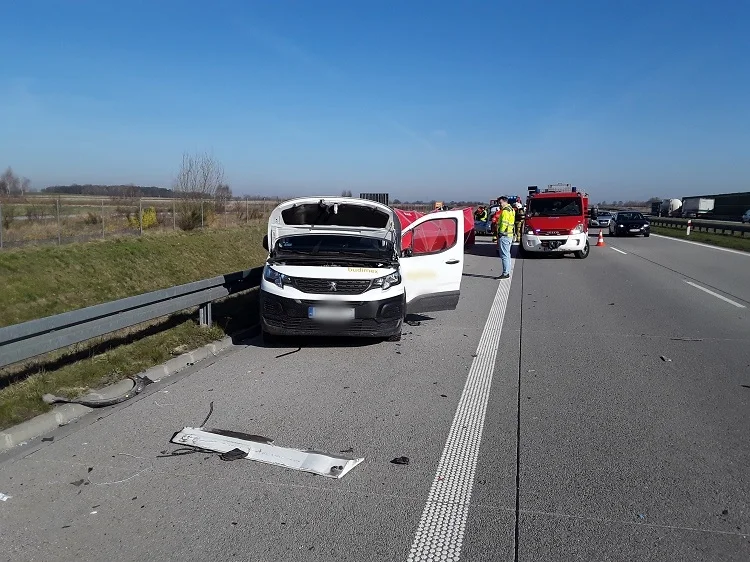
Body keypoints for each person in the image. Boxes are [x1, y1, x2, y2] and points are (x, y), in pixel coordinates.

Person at [496, 196, 515, 279]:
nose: (499, 204)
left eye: (500, 203)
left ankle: (505, 273)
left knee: (504, 255)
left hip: (504, 235)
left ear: (505, 202)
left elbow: (504, 223)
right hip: (509, 234)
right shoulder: (511, 209)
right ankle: (507, 271)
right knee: (507, 254)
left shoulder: (505, 211)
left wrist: (501, 232)